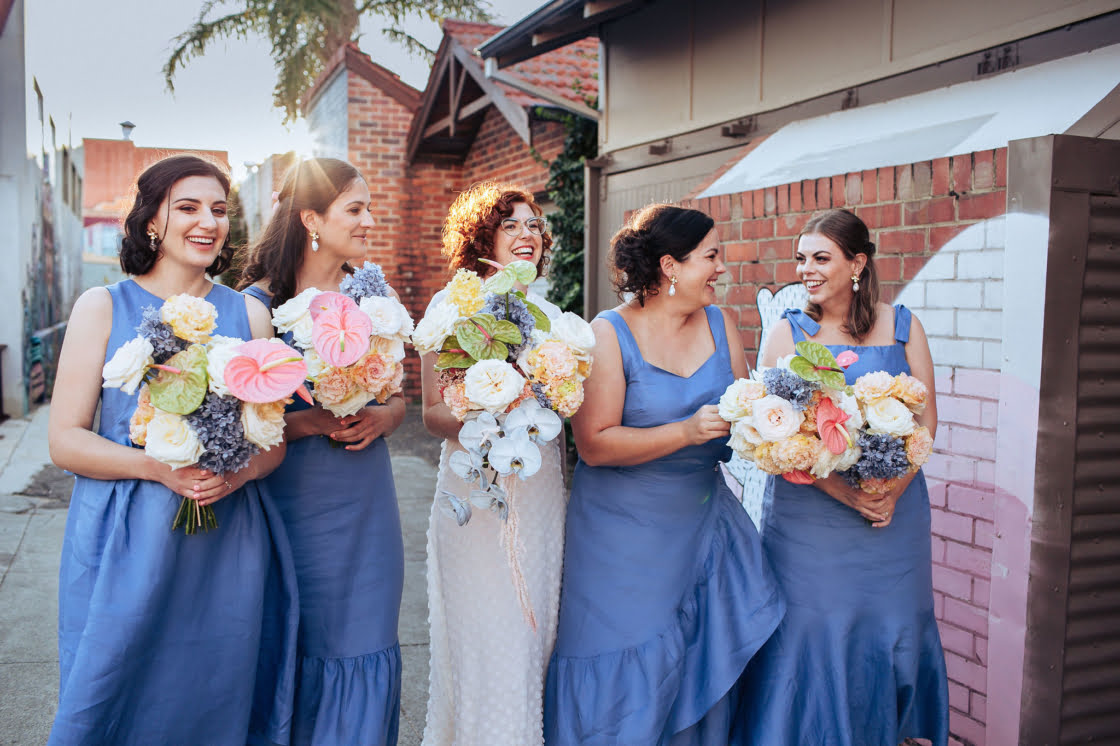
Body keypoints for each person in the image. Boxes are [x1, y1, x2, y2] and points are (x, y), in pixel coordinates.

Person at [47, 154, 298, 745]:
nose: (208, 222)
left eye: (218, 210)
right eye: (188, 207)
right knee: (114, 687)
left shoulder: (249, 314)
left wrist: (236, 476)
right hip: (125, 535)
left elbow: (273, 440)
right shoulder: (102, 306)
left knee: (214, 691)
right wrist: (157, 468)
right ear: (150, 222)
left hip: (225, 534)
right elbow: (65, 439)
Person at [544, 204, 784, 745]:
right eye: (711, 256)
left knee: (699, 656)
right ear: (671, 266)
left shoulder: (721, 323)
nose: (721, 268)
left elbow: (746, 415)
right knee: (624, 660)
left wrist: (787, 430)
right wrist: (685, 432)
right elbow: (594, 444)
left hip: (703, 525)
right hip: (621, 537)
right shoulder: (608, 333)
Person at [741, 208, 949, 745]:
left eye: (820, 258)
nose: (805, 270)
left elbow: (926, 421)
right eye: (801, 259)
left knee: (892, 621)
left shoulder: (904, 326)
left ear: (857, 264)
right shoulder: (788, 333)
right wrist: (847, 494)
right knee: (812, 629)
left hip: (894, 517)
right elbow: (775, 437)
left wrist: (890, 492)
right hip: (810, 520)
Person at [239, 157, 406, 745]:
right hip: (294, 498)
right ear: (311, 218)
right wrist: (309, 421)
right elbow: (241, 427)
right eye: (355, 209)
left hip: (368, 496)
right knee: (302, 635)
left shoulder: (374, 296)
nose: (369, 221)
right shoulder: (258, 306)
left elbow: (397, 396)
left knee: (365, 633)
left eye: (369, 208)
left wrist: (387, 415)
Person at [420, 182, 565, 746]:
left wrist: (552, 400)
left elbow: (565, 401)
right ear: (482, 238)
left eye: (533, 225)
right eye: (510, 225)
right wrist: (496, 416)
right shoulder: (454, 306)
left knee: (533, 638)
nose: (527, 234)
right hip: (477, 491)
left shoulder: (551, 315)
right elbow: (433, 413)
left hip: (540, 493)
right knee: (488, 636)